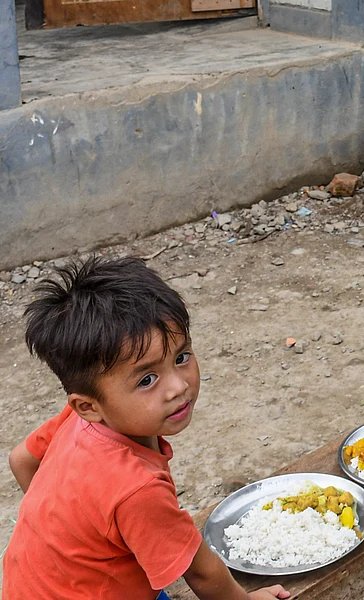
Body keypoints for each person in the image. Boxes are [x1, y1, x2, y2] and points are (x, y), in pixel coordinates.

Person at [3, 257, 289, 600]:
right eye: (147, 379)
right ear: (89, 405)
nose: (177, 387)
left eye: (182, 357)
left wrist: (64, 533)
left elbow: (22, 459)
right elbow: (200, 571)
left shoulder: (77, 419)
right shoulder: (135, 488)